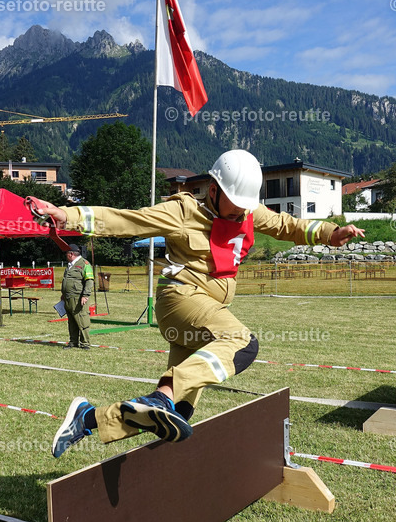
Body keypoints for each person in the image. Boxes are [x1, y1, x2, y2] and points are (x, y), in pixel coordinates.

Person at [37, 149, 365, 457]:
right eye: (233, 205)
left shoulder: (249, 211)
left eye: (244, 207)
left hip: (204, 314)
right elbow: (128, 220)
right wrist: (67, 215)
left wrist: (329, 233)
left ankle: (88, 418)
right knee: (242, 343)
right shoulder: (183, 212)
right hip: (181, 299)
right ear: (213, 190)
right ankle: (164, 391)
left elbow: (287, 226)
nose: (239, 213)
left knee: (175, 415)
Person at [60, 243, 94, 350]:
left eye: (67, 253)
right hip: (68, 298)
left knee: (82, 321)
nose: (66, 255)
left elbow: (89, 281)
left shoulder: (84, 264)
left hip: (78, 298)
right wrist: (63, 295)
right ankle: (73, 342)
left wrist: (85, 295)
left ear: (71, 254)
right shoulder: (70, 265)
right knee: (72, 322)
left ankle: (85, 343)